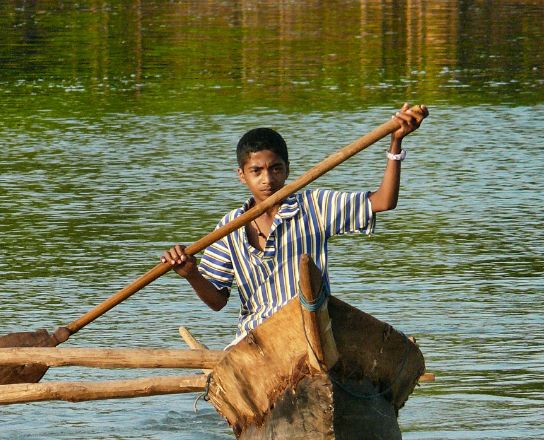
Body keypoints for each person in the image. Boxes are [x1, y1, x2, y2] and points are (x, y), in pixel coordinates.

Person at [162, 103, 428, 344]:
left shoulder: (315, 207)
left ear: (287, 169)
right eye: (257, 171)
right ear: (242, 176)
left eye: (275, 169)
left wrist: (395, 146)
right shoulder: (228, 227)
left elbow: (383, 201)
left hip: (313, 334)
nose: (267, 179)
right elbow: (217, 301)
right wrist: (191, 274)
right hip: (256, 340)